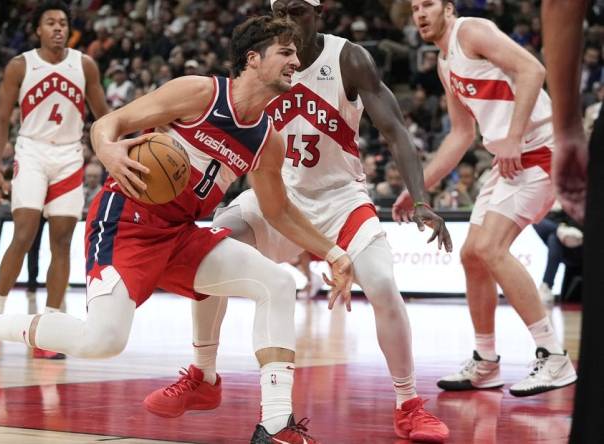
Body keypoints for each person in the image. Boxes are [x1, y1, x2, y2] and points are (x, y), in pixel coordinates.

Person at [0, 16, 352, 443]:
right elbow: (107, 124)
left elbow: (279, 211)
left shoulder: (267, 139)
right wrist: (108, 152)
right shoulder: (200, 92)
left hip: (180, 234)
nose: (297, 60)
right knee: (103, 341)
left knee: (276, 283)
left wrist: (334, 253)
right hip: (126, 221)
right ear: (253, 58)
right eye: (287, 51)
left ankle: (275, 425)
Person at [145, 2, 452, 442]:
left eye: (300, 10)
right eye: (283, 11)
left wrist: (421, 200)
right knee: (209, 244)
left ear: (318, 13)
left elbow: (396, 130)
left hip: (340, 198)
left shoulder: (348, 58)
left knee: (382, 284)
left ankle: (409, 404)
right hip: (278, 196)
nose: (291, 19)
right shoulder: (263, 66)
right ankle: (203, 375)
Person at [394, 0, 577, 397]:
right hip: (507, 159)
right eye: (414, 8)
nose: (420, 14)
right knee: (472, 255)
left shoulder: (471, 31)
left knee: (492, 248)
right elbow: (460, 135)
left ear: (448, 8)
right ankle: (486, 361)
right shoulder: (445, 64)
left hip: (539, 149)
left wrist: (512, 136)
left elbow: (533, 69)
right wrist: (418, 186)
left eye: (428, 5)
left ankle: (555, 356)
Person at [0, 1, 110, 359]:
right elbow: (2, 120)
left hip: (68, 155)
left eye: (63, 23)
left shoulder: (84, 64)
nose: (58, 28)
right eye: (50, 22)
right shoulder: (20, 65)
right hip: (32, 152)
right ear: (38, 29)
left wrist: (120, 147)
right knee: (23, 233)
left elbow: (103, 116)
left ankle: (48, 331)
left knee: (63, 240)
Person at [542, 1, 603, 441]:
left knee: (481, 248)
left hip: (521, 156)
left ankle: (550, 353)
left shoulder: (473, 34)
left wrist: (565, 128)